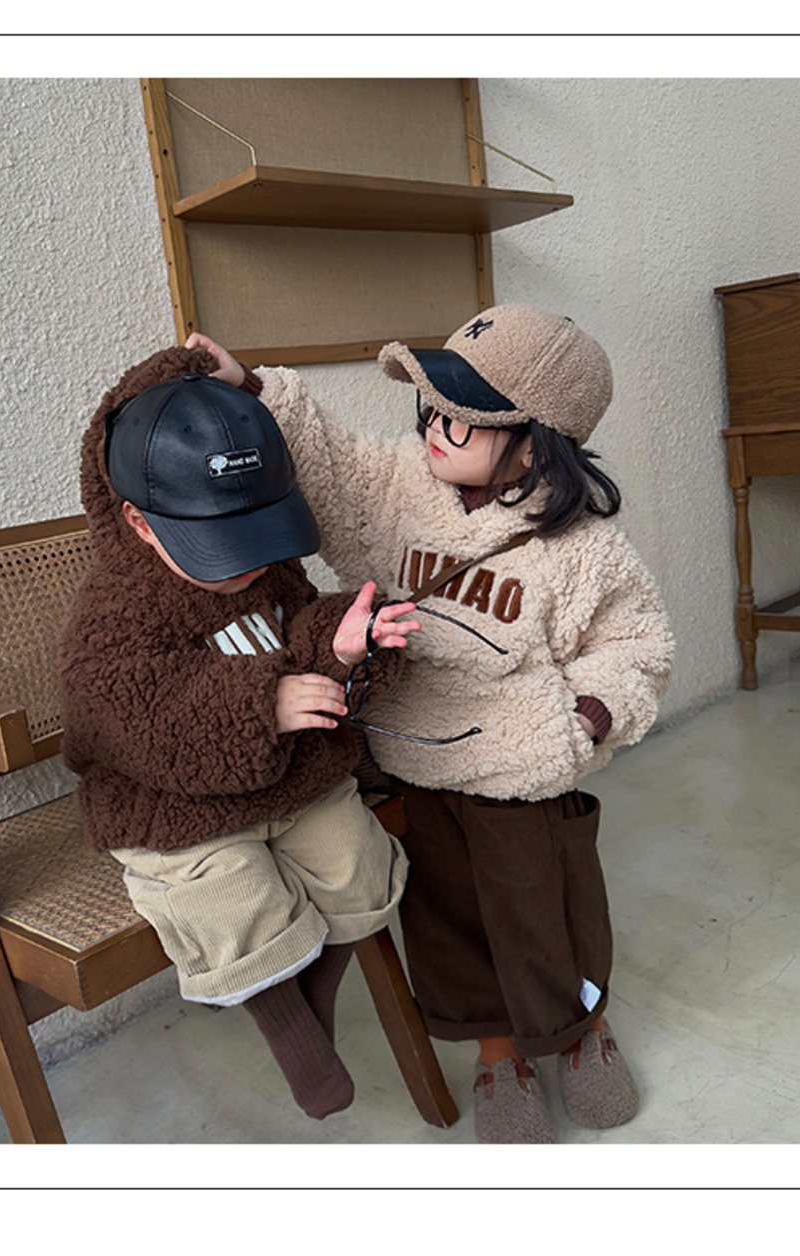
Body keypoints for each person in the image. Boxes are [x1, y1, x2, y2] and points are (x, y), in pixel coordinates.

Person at [187, 305, 675, 1142]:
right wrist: (256, 391)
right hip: (412, 754)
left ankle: (579, 1031)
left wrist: (587, 716)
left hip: (519, 764)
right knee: (446, 919)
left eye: (464, 418)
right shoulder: (400, 488)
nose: (436, 431)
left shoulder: (582, 545)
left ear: (536, 442)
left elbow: (636, 642)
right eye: (432, 409)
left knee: (546, 911)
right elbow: (330, 462)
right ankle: (497, 1054)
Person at [58, 346, 419, 1122]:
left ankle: (313, 996)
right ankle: (289, 1026)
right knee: (229, 900)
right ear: (139, 522)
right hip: (173, 806)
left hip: (291, 780)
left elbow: (301, 630)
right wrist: (260, 704)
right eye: (221, 552)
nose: (248, 568)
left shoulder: (268, 570)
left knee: (356, 860)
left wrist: (340, 646)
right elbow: (126, 713)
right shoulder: (114, 610)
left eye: (259, 541)